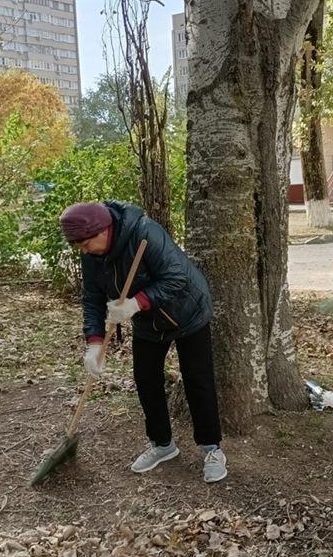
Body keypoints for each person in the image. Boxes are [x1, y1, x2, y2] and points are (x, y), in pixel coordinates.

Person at [60, 200, 227, 483]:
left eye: (86, 244)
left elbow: (177, 278)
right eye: (79, 247)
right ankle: (163, 445)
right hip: (149, 323)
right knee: (146, 380)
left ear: (103, 230)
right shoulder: (91, 256)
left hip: (188, 311)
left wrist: (136, 303)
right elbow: (92, 299)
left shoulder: (145, 233)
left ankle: (212, 448)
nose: (84, 251)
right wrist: (94, 343)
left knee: (197, 379)